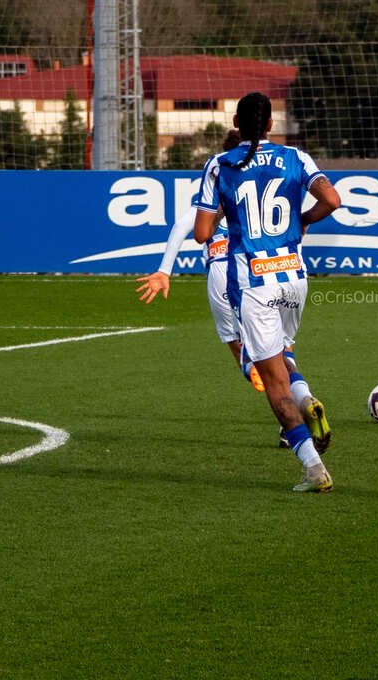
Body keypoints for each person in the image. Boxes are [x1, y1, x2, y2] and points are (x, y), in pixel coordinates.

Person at [193, 91, 341, 492]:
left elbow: (202, 234)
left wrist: (226, 210)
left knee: (271, 379)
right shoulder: (296, 157)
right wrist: (302, 220)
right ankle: (305, 395)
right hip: (293, 278)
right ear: (271, 125)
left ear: (236, 124)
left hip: (253, 281)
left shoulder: (219, 166)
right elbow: (332, 199)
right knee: (284, 354)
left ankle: (313, 467)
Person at [136, 130, 266, 393]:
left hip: (220, 268)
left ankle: (247, 365)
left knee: (233, 339)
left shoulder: (217, 184)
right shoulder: (260, 188)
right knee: (275, 344)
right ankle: (295, 393)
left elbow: (183, 225)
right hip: (258, 269)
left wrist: (164, 270)